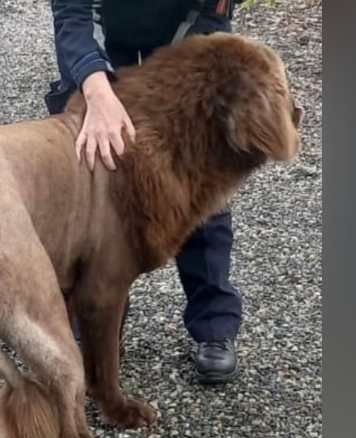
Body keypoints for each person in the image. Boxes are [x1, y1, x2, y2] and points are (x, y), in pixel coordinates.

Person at [46, 0, 243, 384]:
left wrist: (161, 92)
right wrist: (97, 90)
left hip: (184, 33)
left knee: (197, 169)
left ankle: (215, 324)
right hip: (104, 30)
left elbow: (210, 18)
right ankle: (92, 309)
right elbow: (73, 16)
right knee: (92, 167)